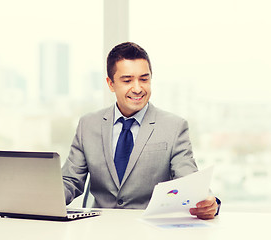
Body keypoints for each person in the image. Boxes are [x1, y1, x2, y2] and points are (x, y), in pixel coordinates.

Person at [62, 42, 220, 219]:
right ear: (111, 84)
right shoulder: (88, 124)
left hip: (150, 229)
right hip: (99, 228)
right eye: (127, 80)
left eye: (144, 79)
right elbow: (70, 181)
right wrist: (44, 197)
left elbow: (188, 179)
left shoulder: (174, 127)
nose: (137, 88)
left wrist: (207, 201)